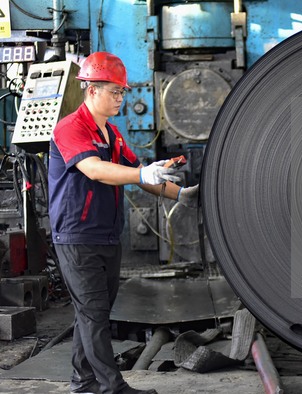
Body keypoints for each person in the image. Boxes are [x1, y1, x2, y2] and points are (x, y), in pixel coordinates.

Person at [47, 52, 199, 394]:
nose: (121, 97)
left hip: (106, 235)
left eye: (122, 92)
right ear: (91, 89)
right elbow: (95, 169)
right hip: (77, 236)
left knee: (91, 314)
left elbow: (141, 176)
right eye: (115, 91)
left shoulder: (111, 133)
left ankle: (82, 382)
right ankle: (111, 387)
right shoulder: (71, 128)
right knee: (94, 313)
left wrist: (183, 194)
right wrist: (140, 172)